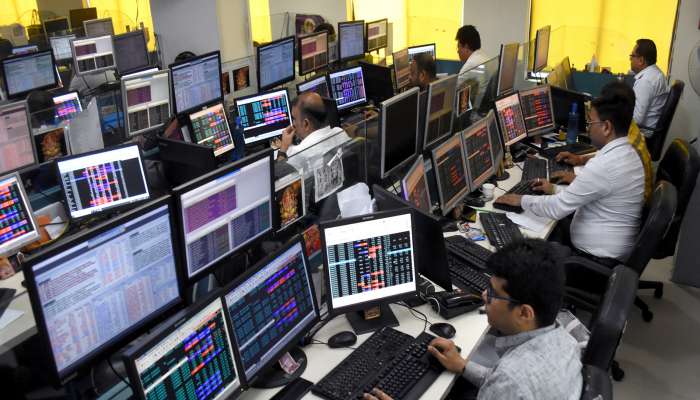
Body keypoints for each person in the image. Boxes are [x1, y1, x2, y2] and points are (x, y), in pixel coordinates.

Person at [364, 239, 582, 400]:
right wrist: (463, 365)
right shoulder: (565, 338)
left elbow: (508, 385)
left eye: (493, 293)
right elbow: (504, 383)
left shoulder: (511, 381)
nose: (484, 296)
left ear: (524, 313)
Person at [494, 86, 645, 262]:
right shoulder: (629, 153)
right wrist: (554, 189)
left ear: (606, 127)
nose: (588, 129)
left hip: (593, 260)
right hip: (609, 248)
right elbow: (588, 193)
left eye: (590, 123)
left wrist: (521, 200)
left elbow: (557, 208)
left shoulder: (604, 166)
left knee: (521, 254)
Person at [555, 82, 654, 203]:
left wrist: (576, 180)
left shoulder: (627, 147)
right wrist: (581, 159)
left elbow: (609, 180)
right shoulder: (628, 126)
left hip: (637, 202)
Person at [276, 92, 350, 166]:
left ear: (306, 123)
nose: (293, 124)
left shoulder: (297, 152)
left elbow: (280, 170)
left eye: (294, 119)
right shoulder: (339, 132)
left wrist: (283, 148)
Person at [629, 38, 668, 130]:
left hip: (642, 134)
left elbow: (636, 120)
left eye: (632, 56)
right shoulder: (656, 73)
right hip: (651, 129)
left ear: (641, 60)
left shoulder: (645, 81)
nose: (630, 59)